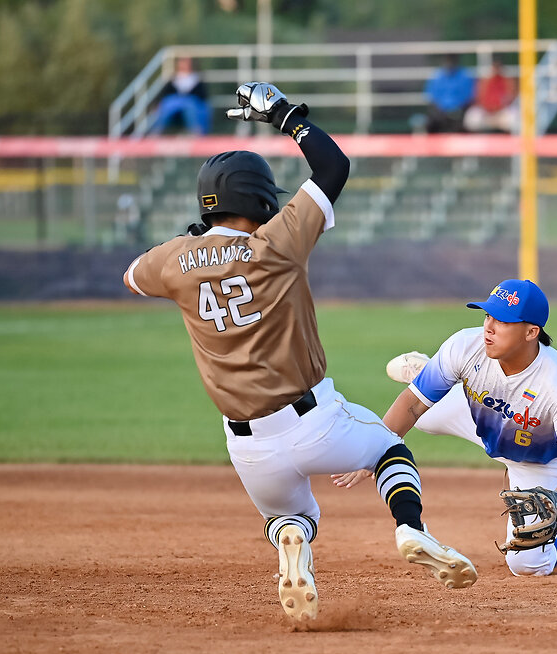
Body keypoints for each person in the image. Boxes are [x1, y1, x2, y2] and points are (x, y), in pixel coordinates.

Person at [121, 82, 477, 622]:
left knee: (291, 514)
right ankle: (411, 529)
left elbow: (132, 276)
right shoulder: (276, 242)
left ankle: (292, 541)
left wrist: (194, 244)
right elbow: (333, 168)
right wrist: (286, 115)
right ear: (260, 199)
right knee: (389, 452)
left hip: (246, 445)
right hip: (312, 422)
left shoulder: (173, 261)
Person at [332, 279, 557, 577]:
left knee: (526, 565)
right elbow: (411, 405)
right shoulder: (466, 345)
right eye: (488, 315)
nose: (488, 326)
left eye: (502, 321)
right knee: (422, 414)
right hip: (479, 415)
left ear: (531, 332)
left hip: (537, 457)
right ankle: (430, 372)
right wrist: (373, 452)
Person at [148, 57, 212, 136]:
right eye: (182, 62)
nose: (184, 65)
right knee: (167, 105)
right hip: (175, 106)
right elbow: (164, 94)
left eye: (186, 62)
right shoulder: (173, 79)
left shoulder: (197, 80)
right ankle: (157, 131)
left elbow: (203, 97)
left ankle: (195, 132)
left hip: (191, 105)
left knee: (189, 105)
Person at [424, 54, 476, 133]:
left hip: (460, 111)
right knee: (430, 122)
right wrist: (441, 110)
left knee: (465, 123)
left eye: (451, 61)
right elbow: (431, 97)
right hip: (440, 112)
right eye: (447, 61)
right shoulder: (437, 76)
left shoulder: (464, 76)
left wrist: (458, 110)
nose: (449, 63)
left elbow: (469, 97)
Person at [464, 60, 518, 134]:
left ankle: (509, 139)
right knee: (472, 117)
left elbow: (510, 98)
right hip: (486, 112)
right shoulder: (485, 81)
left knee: (513, 117)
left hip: (501, 112)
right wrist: (488, 108)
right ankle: (476, 139)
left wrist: (498, 107)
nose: (496, 70)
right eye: (494, 68)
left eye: (498, 68)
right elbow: (479, 98)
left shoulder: (507, 81)